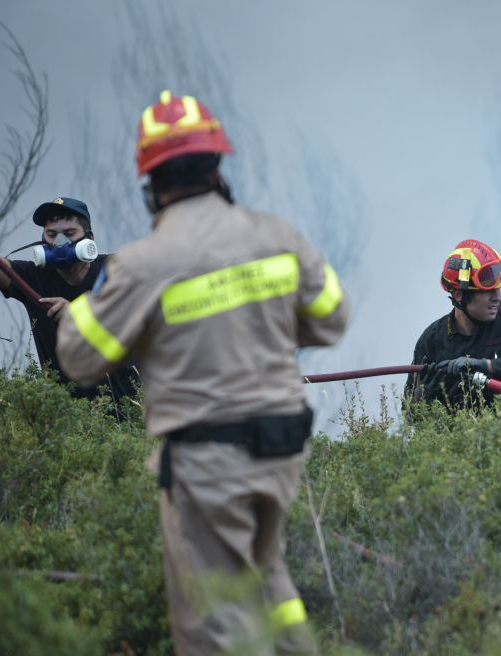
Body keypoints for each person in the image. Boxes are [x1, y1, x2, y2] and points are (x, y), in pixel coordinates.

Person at [55, 90, 349, 655]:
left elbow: (79, 357)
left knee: (211, 621)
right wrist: (258, 328)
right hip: (283, 446)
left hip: (208, 461)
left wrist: (110, 305)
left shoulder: (143, 264)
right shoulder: (276, 235)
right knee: (265, 575)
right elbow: (331, 316)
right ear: (218, 166)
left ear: (150, 186)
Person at [0, 198, 139, 405]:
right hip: (69, 414)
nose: (59, 242)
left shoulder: (114, 270)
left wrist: (79, 313)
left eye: (69, 233)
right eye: (51, 234)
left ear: (89, 239)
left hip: (131, 405)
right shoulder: (33, 276)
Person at [405, 239, 501, 409]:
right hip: (460, 434)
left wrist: (487, 365)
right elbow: (411, 417)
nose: (497, 298)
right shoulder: (431, 341)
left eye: (499, 289)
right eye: (488, 291)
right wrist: (422, 396)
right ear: (460, 296)